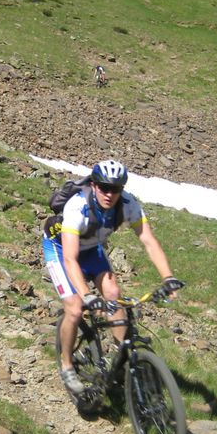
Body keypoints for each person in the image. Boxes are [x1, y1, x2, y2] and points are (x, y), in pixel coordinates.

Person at [42, 159, 181, 396]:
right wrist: (87, 296)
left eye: (115, 189)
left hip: (92, 248)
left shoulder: (128, 205)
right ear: (94, 185)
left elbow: (148, 241)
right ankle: (66, 365)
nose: (109, 194)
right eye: (104, 188)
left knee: (114, 295)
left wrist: (168, 277)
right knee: (75, 309)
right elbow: (70, 259)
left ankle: (115, 360)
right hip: (61, 250)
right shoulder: (78, 206)